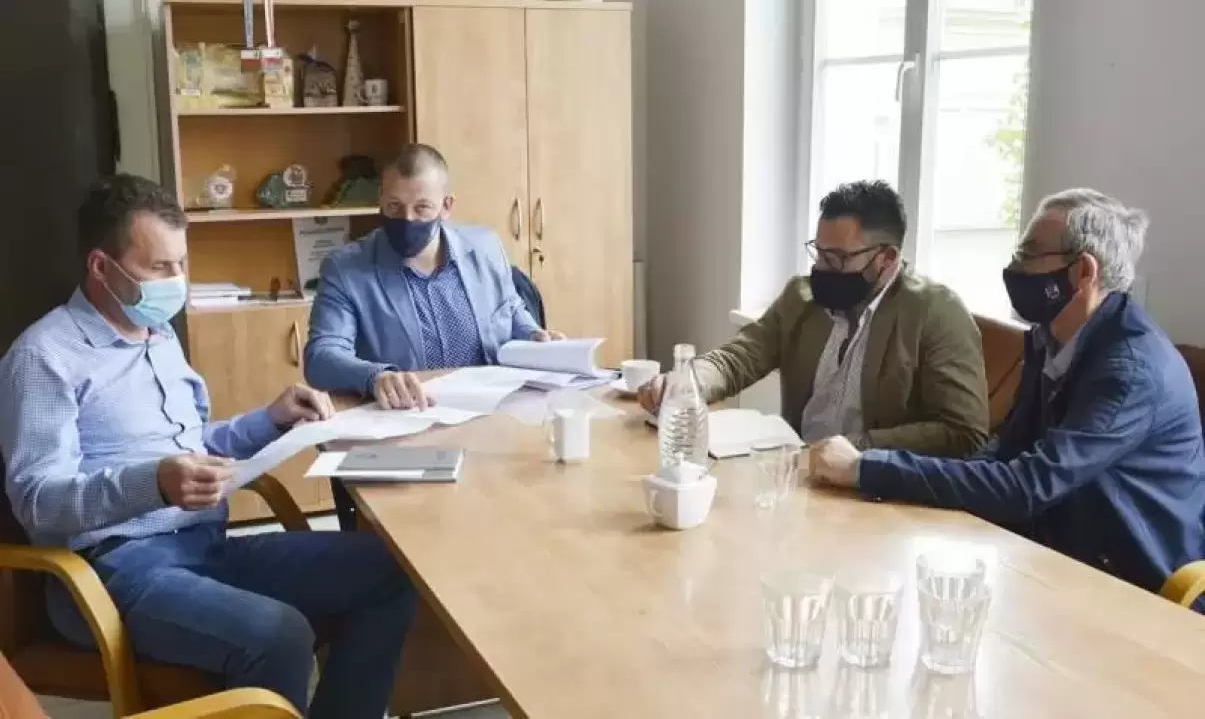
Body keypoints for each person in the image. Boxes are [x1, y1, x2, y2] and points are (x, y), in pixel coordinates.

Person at [0, 175, 417, 718]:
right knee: (279, 634)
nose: (177, 281)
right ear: (101, 267)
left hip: (203, 546)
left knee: (390, 570)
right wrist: (154, 483)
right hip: (114, 570)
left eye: (181, 263)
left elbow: (193, 449)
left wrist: (270, 420)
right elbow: (38, 501)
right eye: (159, 267)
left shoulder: (157, 335)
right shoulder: (43, 358)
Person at [809, 189, 1205, 606]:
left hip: (1137, 586)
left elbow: (1029, 485)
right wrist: (904, 484)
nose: (1014, 266)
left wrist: (868, 468)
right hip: (1059, 557)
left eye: (1029, 254)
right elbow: (1007, 449)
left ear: (1082, 272)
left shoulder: (1129, 371)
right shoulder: (1050, 337)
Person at [304, 143, 563, 529]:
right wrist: (375, 376)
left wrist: (534, 335)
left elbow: (510, 310)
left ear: (446, 206)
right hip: (411, 434)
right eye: (394, 207)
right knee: (432, 532)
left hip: (495, 424)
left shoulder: (484, 245)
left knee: (533, 517)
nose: (406, 219)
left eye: (421, 208)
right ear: (381, 201)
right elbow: (321, 356)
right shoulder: (347, 268)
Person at [639, 180, 989, 458]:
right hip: (799, 474)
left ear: (887, 258)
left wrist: (857, 448)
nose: (822, 268)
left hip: (878, 490)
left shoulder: (936, 314)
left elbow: (964, 432)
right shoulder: (802, 297)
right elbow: (740, 358)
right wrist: (687, 383)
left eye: (838, 258)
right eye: (819, 253)